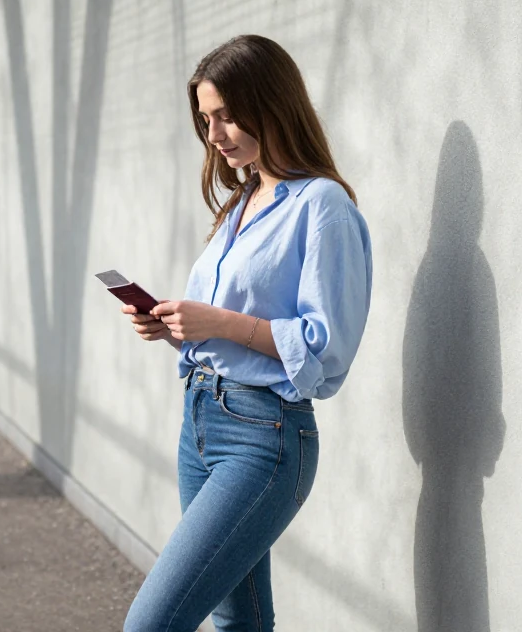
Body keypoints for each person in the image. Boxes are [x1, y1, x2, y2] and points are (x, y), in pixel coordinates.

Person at [119, 35, 373, 631]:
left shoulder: (323, 206)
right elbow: (234, 337)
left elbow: (324, 350)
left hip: (266, 438)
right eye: (207, 119)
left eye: (228, 115)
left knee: (150, 624)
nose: (214, 134)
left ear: (272, 103)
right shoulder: (240, 204)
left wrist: (218, 322)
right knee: (239, 621)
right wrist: (176, 329)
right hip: (201, 424)